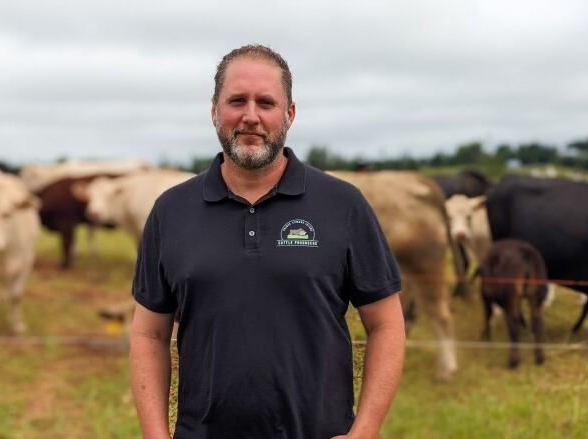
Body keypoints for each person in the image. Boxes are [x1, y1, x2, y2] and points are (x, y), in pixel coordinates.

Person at [129, 44, 406, 439]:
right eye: (237, 101)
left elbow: (387, 324)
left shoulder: (343, 205)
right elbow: (149, 334)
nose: (251, 116)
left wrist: (366, 429)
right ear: (214, 110)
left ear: (289, 113)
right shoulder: (171, 211)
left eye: (266, 102)